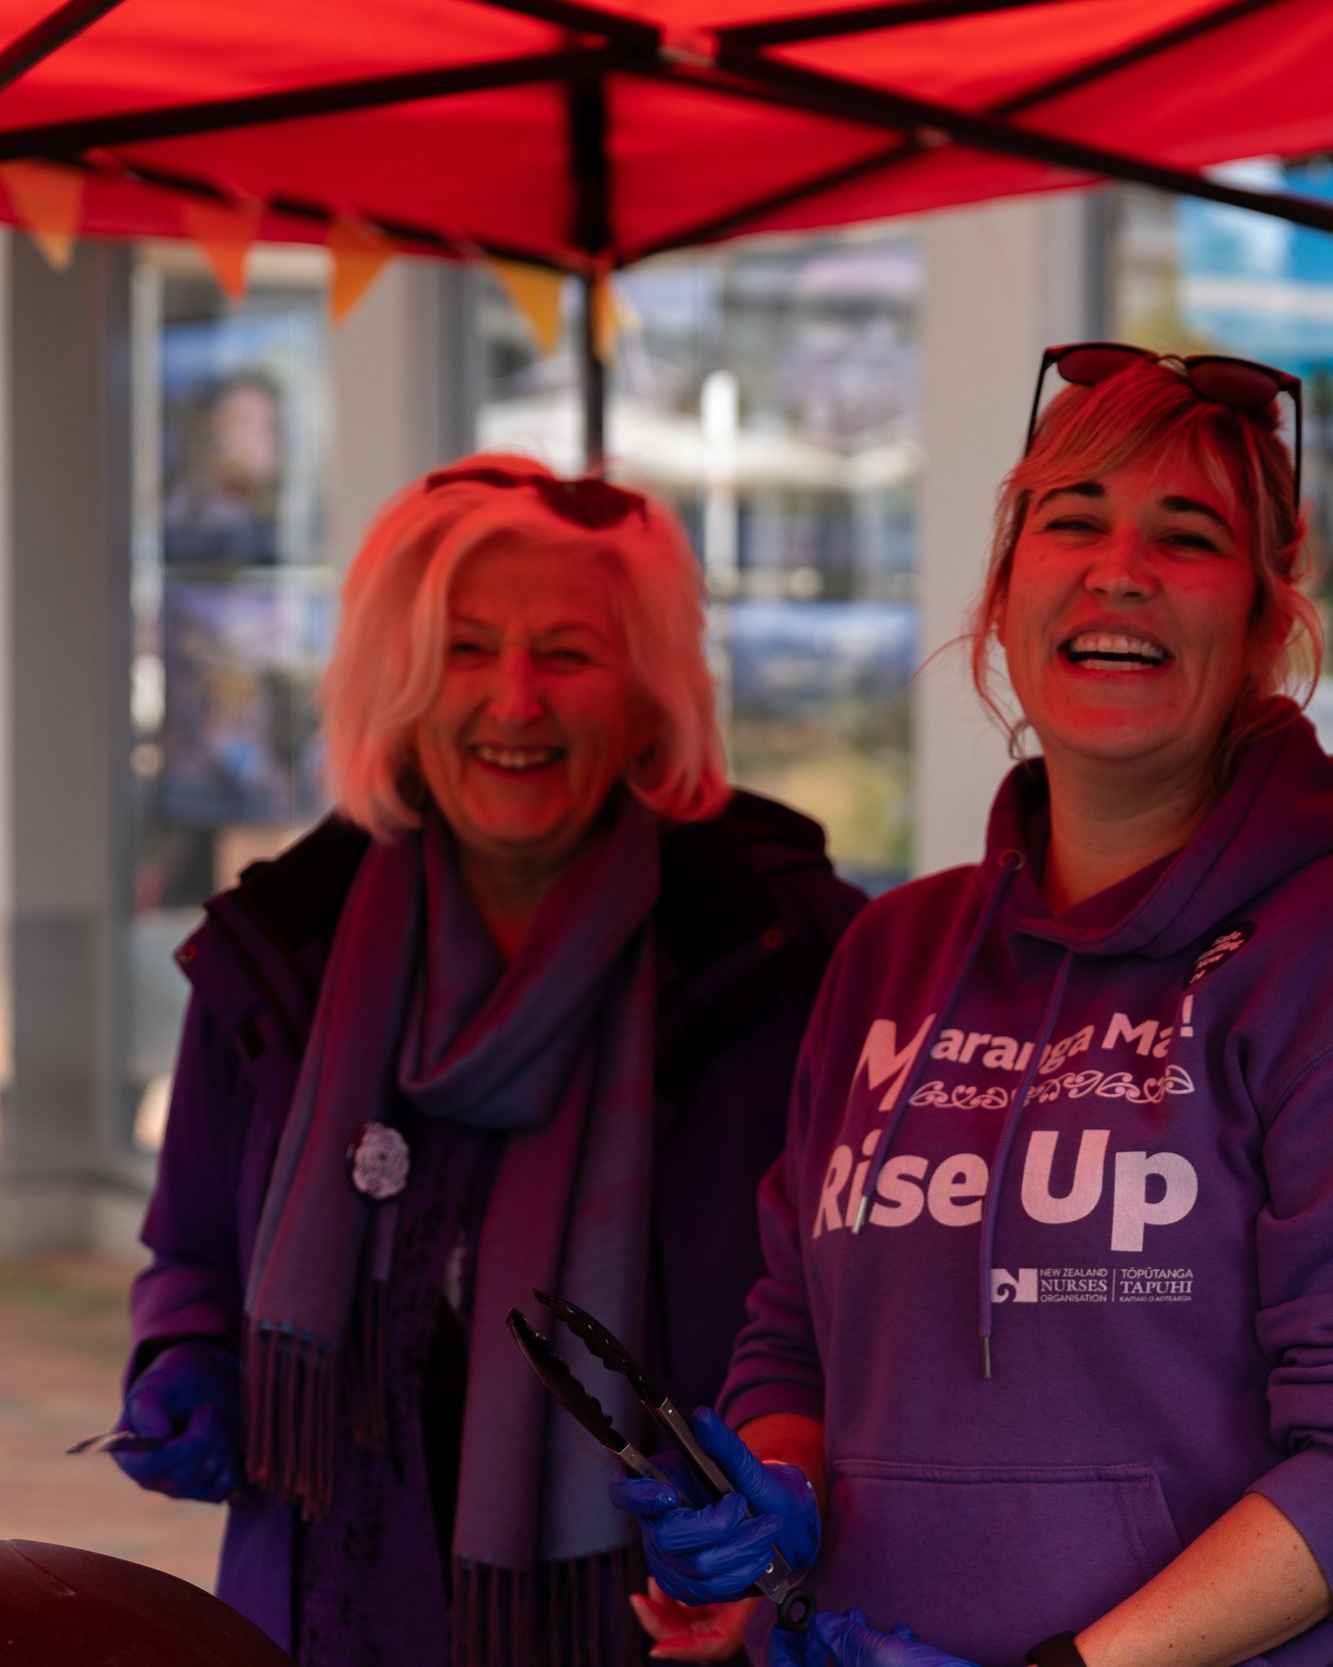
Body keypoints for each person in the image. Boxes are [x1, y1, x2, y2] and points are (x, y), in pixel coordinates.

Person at [612, 346, 1333, 1667]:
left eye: (1189, 533)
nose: (1119, 569)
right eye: (1074, 520)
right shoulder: (891, 952)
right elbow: (796, 1330)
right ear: (1003, 592)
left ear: (1271, 623)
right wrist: (771, 1496)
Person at [115, 455, 865, 1667]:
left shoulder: (787, 956)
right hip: (330, 1616)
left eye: (568, 652)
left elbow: (859, 1310)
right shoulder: (278, 951)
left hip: (664, 1625)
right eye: (466, 650)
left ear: (646, 693)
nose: (515, 702)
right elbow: (191, 1251)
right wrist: (185, 1355)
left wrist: (790, 1489)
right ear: (399, 684)